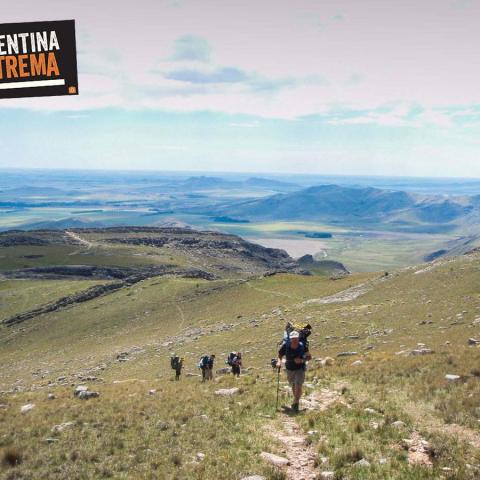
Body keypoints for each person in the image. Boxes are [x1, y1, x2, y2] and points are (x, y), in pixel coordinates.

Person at [277, 330, 311, 412]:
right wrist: (279, 362)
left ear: (298, 338)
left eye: (296, 338)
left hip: (300, 368)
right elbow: (280, 355)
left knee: (298, 385)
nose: (294, 340)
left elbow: (309, 357)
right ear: (290, 339)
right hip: (289, 369)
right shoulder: (286, 345)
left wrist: (302, 360)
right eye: (293, 339)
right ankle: (295, 401)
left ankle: (295, 402)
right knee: (293, 385)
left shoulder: (303, 346)